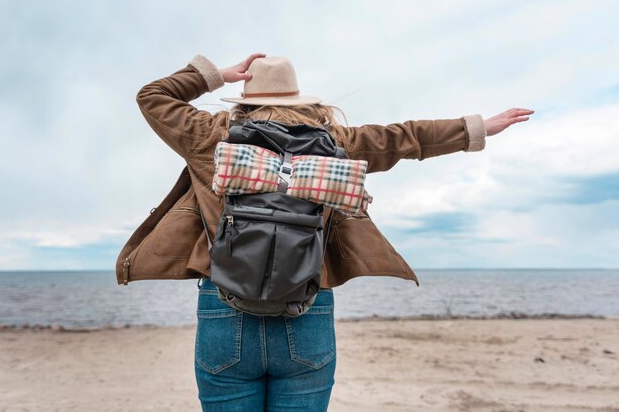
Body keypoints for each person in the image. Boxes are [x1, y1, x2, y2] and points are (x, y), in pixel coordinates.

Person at [135, 52, 533, 411]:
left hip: (224, 306)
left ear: (246, 98)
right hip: (307, 305)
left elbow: (152, 96)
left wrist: (216, 74)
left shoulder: (209, 138)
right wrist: (475, 128)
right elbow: (407, 136)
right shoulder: (337, 142)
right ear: (299, 99)